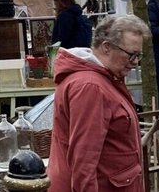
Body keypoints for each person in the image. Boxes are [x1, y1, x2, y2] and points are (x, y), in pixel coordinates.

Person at [47, 14, 150, 191]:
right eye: (131, 55)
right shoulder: (91, 87)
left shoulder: (103, 79)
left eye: (138, 55)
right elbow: (84, 160)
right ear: (106, 47)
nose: (135, 63)